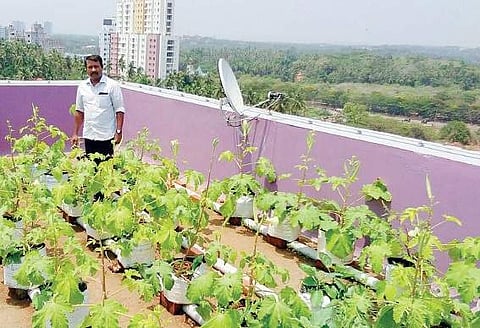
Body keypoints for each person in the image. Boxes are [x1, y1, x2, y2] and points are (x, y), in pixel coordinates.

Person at [71, 54, 125, 161]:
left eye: (96, 66)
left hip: (107, 136)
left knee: (106, 169)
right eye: (90, 67)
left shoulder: (112, 86)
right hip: (89, 135)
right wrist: (75, 133)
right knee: (91, 167)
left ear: (102, 67)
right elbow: (79, 111)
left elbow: (119, 110)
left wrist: (119, 132)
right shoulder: (82, 87)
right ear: (86, 69)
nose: (93, 69)